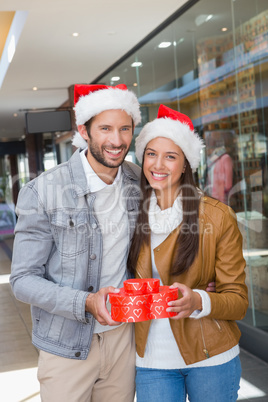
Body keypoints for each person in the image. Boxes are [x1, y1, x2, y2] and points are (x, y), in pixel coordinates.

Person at [10, 84, 142, 402]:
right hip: (65, 345)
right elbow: (22, 281)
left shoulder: (139, 181)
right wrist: (85, 302)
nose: (117, 140)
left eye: (125, 128)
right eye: (105, 128)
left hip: (123, 338)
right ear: (83, 130)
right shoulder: (42, 191)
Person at [128, 104, 248, 402]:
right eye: (152, 153)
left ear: (185, 165)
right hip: (152, 360)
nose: (158, 164)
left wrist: (199, 299)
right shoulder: (130, 214)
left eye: (171, 156)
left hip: (211, 357)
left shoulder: (217, 216)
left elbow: (238, 301)